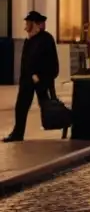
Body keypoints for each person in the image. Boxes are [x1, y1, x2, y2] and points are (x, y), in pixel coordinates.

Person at [3, 11, 60, 143]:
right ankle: (18, 133)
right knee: (21, 106)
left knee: (47, 104)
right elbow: (26, 62)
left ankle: (61, 123)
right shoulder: (29, 40)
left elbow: (51, 62)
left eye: (28, 23)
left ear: (36, 24)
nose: (26, 26)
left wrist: (41, 77)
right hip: (27, 81)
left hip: (41, 81)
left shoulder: (46, 39)